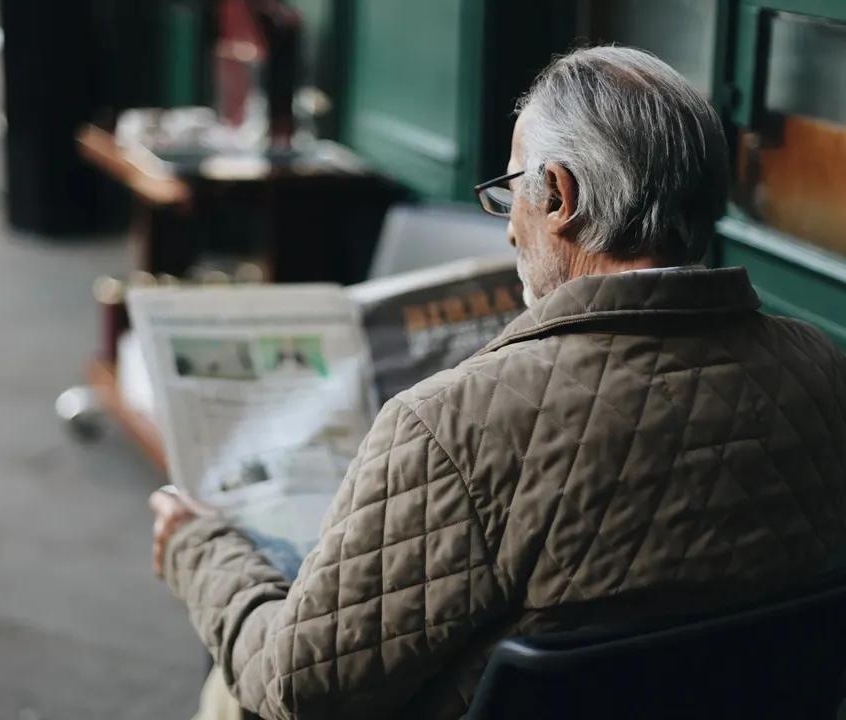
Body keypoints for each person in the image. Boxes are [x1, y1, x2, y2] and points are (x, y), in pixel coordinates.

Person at [148, 46, 846, 720]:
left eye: (512, 188)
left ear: (560, 195)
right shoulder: (822, 369)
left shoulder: (452, 427)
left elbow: (297, 689)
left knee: (235, 680)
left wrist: (197, 547)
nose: (510, 231)